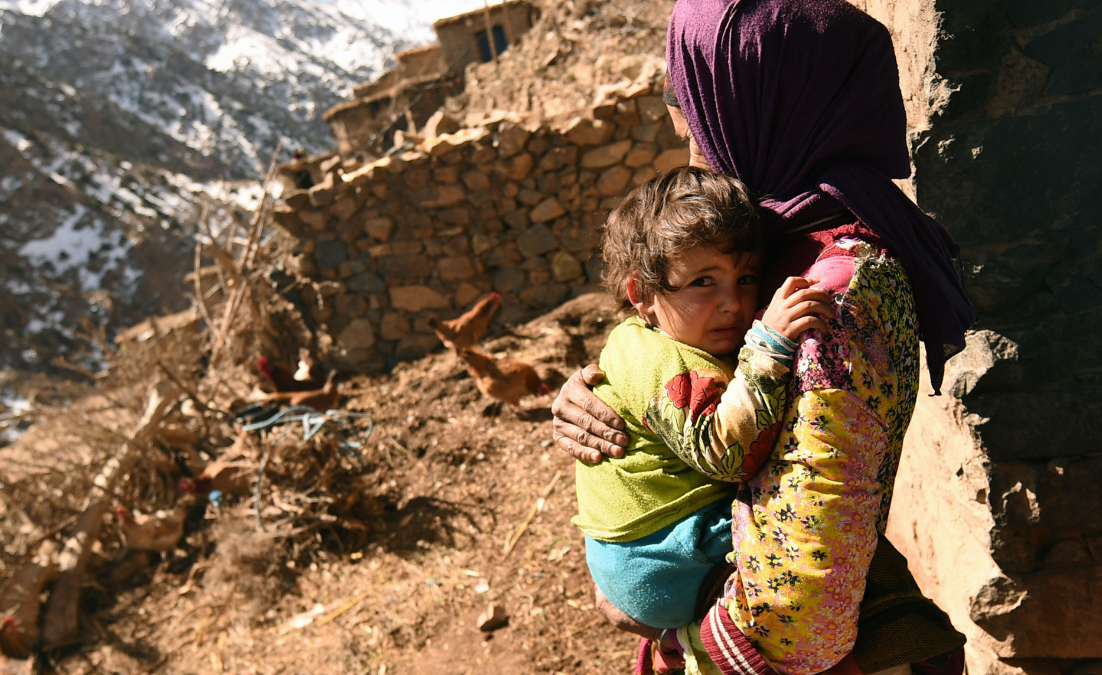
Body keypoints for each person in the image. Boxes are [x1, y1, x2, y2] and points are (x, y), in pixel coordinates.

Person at [551, 0, 976, 674]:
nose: (698, 162)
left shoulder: (834, 297)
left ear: (766, 114)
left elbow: (804, 605)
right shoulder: (769, 251)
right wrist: (615, 383)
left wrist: (677, 645)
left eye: (702, 133)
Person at [574, 167, 834, 650]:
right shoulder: (660, 360)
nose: (733, 302)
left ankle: (682, 642)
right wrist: (770, 346)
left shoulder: (655, 339)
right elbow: (726, 455)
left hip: (640, 559)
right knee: (816, 531)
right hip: (665, 558)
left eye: (746, 278)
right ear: (641, 295)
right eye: (703, 282)